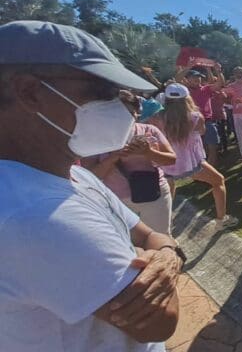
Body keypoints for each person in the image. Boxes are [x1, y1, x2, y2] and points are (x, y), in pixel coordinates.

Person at [0, 20, 182, 351]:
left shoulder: (76, 174)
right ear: (30, 92)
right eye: (102, 92)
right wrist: (164, 257)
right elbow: (160, 321)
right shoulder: (36, 217)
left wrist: (166, 257)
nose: (120, 105)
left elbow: (146, 234)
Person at [83, 93, 177, 236]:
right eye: (118, 113)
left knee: (162, 238)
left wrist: (148, 152)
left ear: (137, 112)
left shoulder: (149, 130)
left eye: (129, 113)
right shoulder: (96, 138)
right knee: (128, 245)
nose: (124, 119)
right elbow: (90, 176)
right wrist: (114, 157)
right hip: (117, 201)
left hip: (154, 194)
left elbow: (171, 160)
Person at [152, 83, 238, 231]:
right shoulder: (196, 117)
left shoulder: (157, 118)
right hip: (190, 163)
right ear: (187, 99)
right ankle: (221, 219)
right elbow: (202, 132)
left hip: (166, 163)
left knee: (169, 190)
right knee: (218, 181)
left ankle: (165, 223)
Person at [176, 66, 224, 166]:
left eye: (199, 77)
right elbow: (177, 79)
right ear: (188, 78)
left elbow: (220, 84)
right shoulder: (185, 90)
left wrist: (218, 71)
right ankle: (202, 170)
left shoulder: (206, 89)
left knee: (212, 147)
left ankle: (211, 169)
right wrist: (187, 66)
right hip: (191, 124)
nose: (198, 79)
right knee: (198, 149)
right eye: (194, 77)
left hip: (208, 122)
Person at [223, 67, 242, 162]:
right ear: (234, 74)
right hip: (237, 113)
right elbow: (225, 97)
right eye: (237, 73)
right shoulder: (231, 86)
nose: (239, 74)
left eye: (241, 72)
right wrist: (231, 101)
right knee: (240, 134)